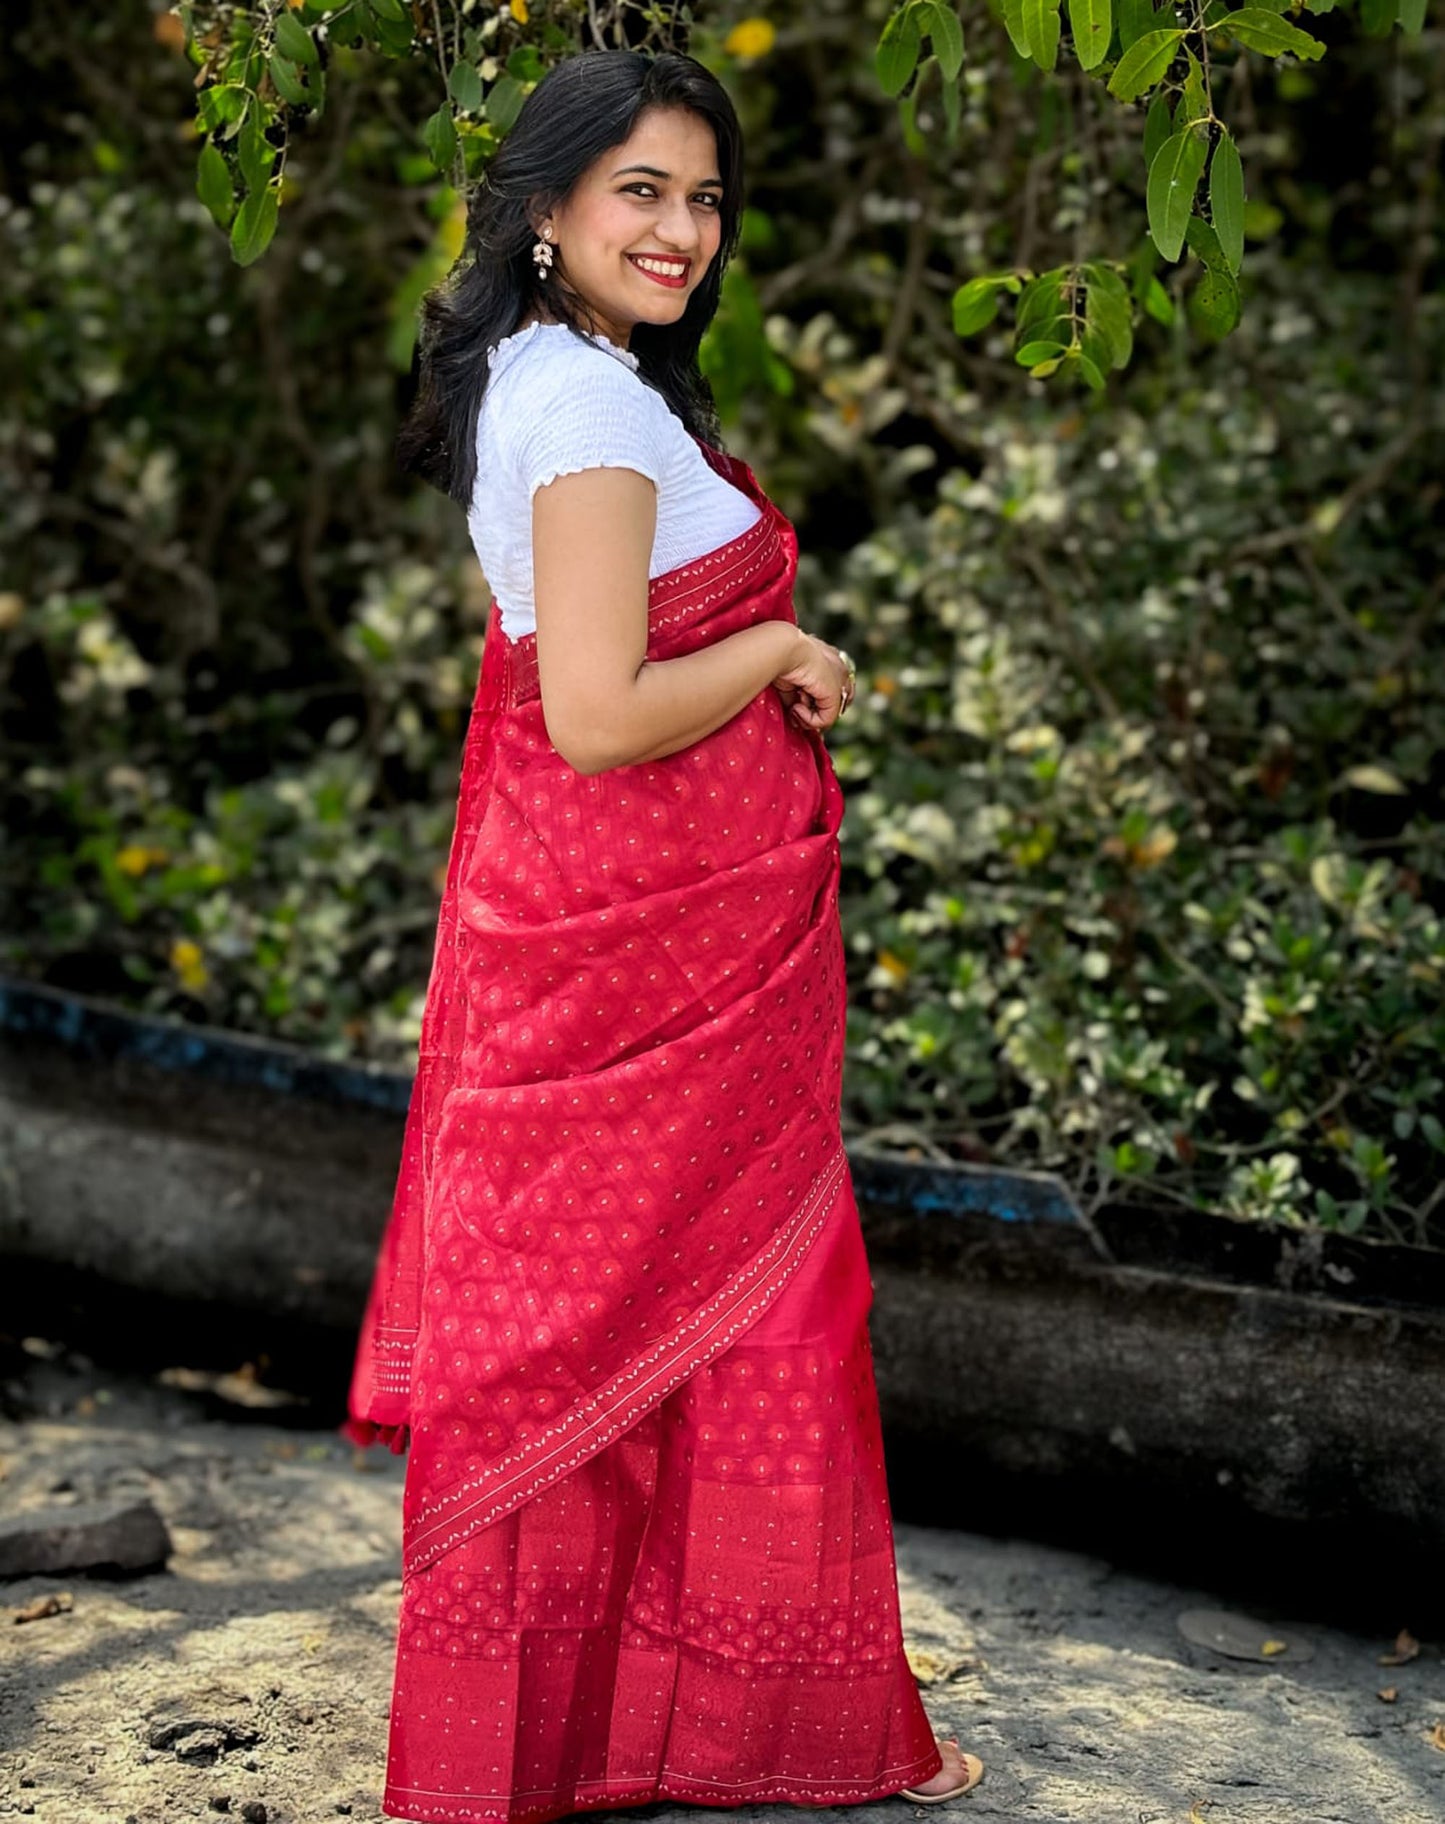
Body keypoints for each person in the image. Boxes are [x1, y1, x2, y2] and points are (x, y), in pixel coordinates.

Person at [342, 45, 985, 1824]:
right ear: (543, 211)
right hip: (650, 970)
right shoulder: (597, 413)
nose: (683, 228)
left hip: (646, 952)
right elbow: (603, 711)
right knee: (729, 1323)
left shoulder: (558, 381)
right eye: (640, 189)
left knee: (654, 1329)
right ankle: (714, 1729)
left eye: (703, 197)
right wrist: (782, 651)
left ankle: (629, 1735)